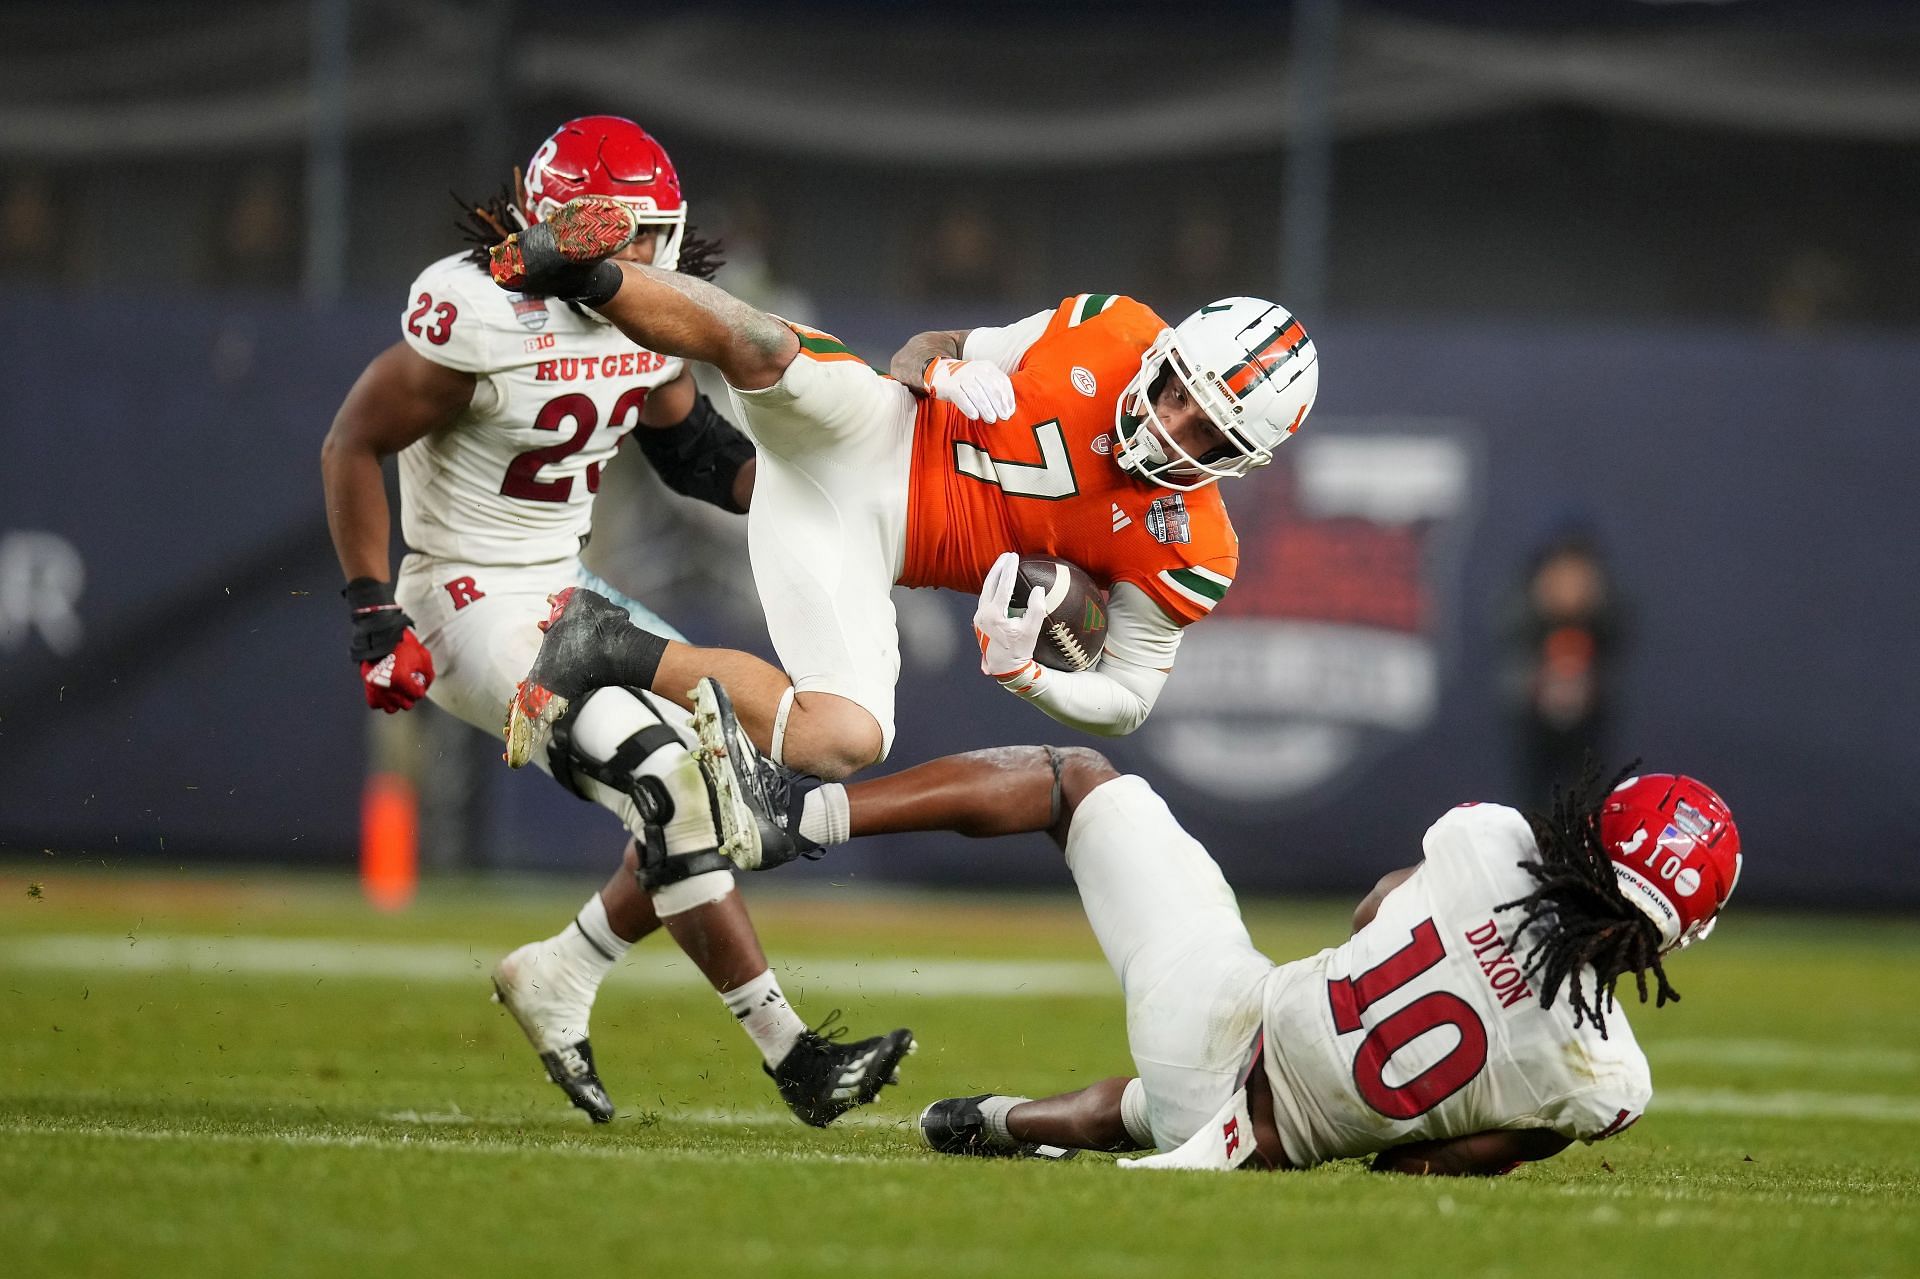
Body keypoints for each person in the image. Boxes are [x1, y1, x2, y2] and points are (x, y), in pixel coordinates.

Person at [319, 116, 912, 1127]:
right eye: (613, 234)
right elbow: (351, 442)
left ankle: (563, 974)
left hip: (563, 589)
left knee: (705, 792)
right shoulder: (482, 315)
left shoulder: (648, 320)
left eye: (644, 235)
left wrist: (831, 510)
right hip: (465, 597)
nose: (635, 258)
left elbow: (697, 454)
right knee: (667, 776)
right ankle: (793, 1056)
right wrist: (374, 606)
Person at [683, 678, 1739, 1173]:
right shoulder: (1609, 1079)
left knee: (1075, 781)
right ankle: (996, 1121)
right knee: (1172, 1112)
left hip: (1228, 1020)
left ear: (1590, 836)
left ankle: (796, 814)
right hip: (1266, 1139)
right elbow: (1429, 1164)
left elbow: (1377, 910)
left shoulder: (1494, 844)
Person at [486, 196, 1321, 793]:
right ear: (1165, 355)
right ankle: (579, 270)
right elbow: (931, 347)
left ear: (1243, 461)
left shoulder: (1193, 546)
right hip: (875, 430)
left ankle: (601, 644)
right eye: (1180, 394)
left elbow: (1132, 699)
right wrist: (944, 370)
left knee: (846, 737)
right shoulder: (1111, 329)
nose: (1178, 428)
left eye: (1211, 434)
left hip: (865, 546)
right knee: (766, 346)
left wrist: (1031, 676)